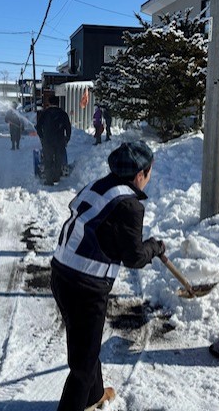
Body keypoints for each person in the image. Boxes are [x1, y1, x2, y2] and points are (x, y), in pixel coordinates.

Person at [50, 141, 166, 411]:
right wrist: (155, 247)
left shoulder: (99, 186)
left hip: (61, 275)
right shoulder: (130, 205)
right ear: (140, 175)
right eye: (149, 174)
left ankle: (94, 395)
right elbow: (134, 257)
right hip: (85, 288)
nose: (149, 179)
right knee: (82, 368)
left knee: (86, 347)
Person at [36, 95, 71, 185]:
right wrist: (67, 139)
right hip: (60, 141)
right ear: (58, 103)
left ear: (49, 103)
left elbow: (38, 127)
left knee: (48, 160)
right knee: (58, 159)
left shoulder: (45, 113)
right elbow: (68, 128)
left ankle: (49, 180)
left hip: (47, 141)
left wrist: (42, 137)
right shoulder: (63, 114)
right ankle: (56, 178)